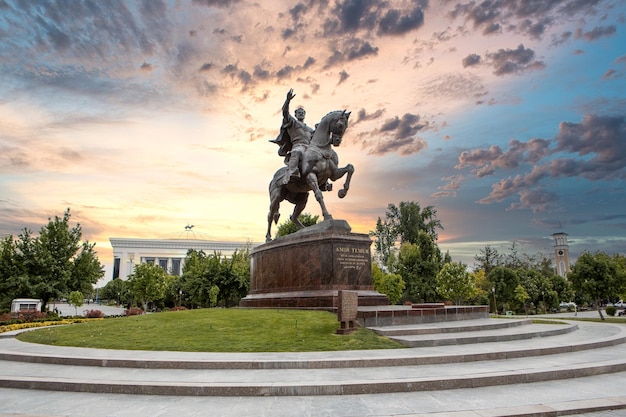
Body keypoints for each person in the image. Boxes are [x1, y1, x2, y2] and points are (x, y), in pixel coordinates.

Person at [270, 89, 315, 185]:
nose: (301, 114)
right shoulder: (292, 122)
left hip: (309, 148)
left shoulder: (310, 129)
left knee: (321, 157)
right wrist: (287, 100)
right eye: (299, 112)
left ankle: (324, 182)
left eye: (303, 112)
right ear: (295, 114)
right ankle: (292, 172)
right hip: (298, 145)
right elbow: (285, 112)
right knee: (296, 152)